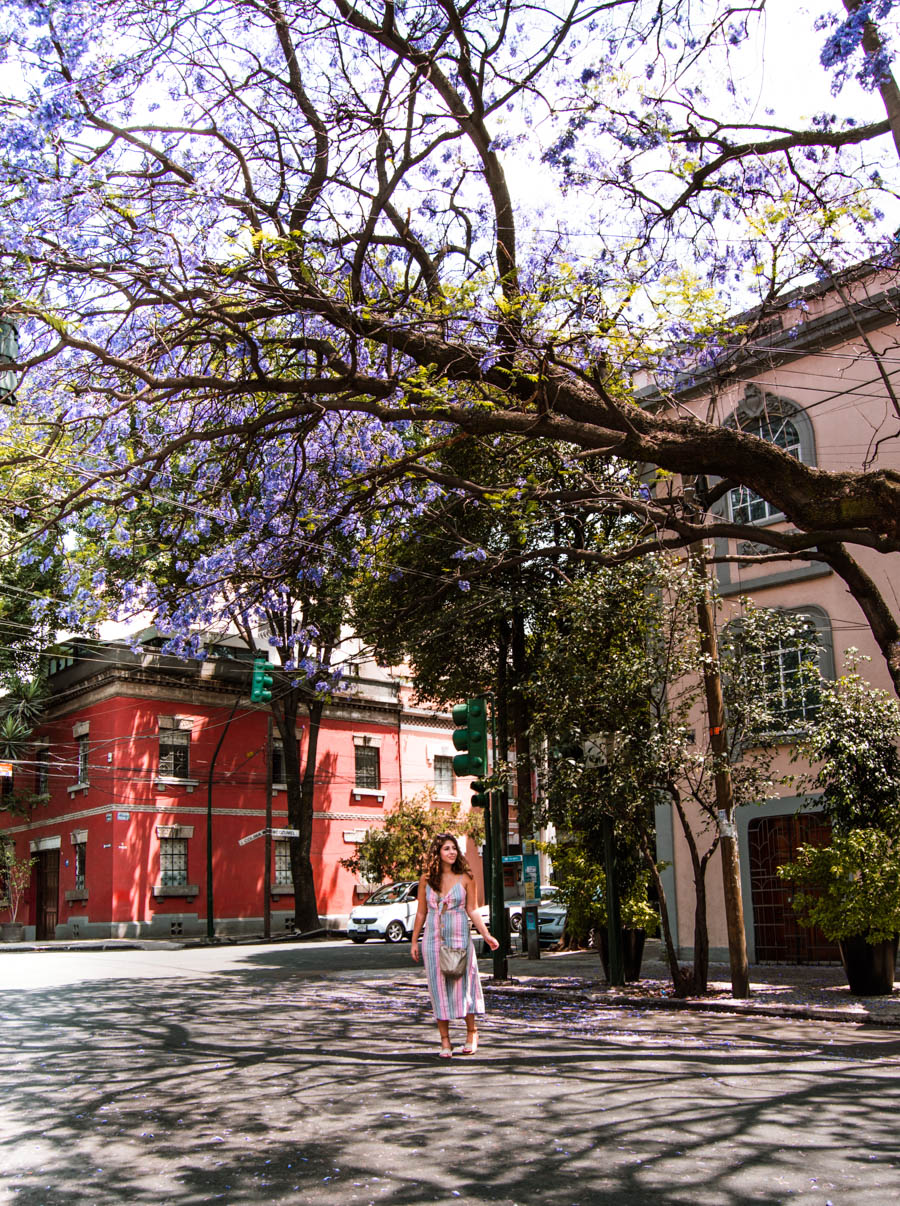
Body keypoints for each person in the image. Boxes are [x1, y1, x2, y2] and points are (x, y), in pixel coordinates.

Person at [411, 832, 499, 1057]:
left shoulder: (467, 877)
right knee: (438, 990)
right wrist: (414, 941)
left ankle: (472, 1033)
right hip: (433, 941)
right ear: (437, 853)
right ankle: (445, 1042)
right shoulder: (426, 879)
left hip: (460, 939)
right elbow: (421, 912)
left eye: (454, 848)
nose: (451, 852)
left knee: (464, 987)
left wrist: (487, 935)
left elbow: (473, 909)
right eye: (446, 848)